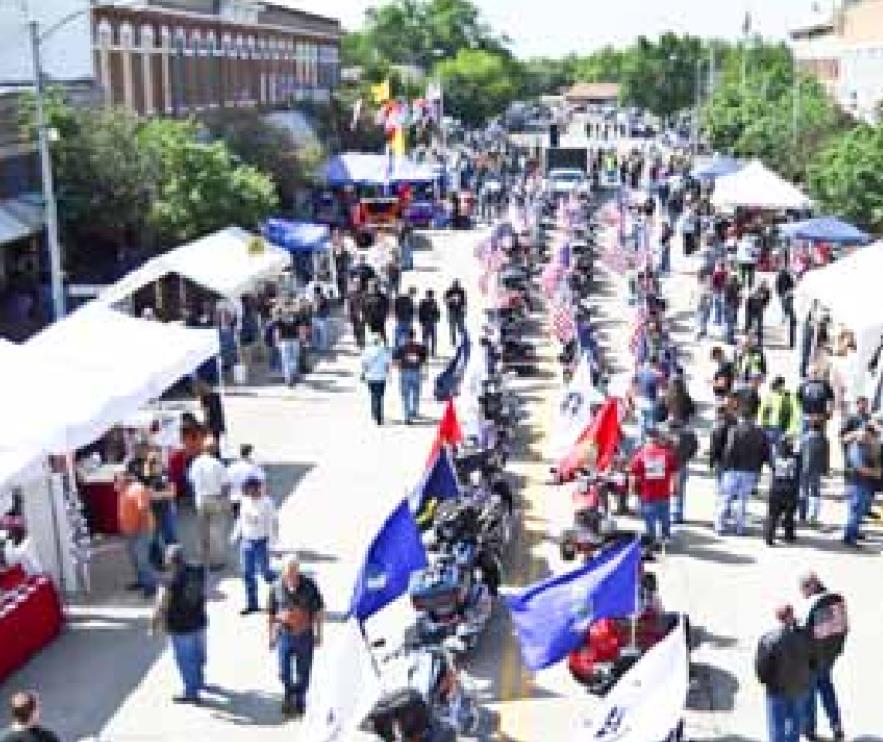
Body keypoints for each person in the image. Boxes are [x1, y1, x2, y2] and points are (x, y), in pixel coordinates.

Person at [149, 545, 208, 705]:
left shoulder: (167, 580)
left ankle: (191, 692)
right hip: (199, 621)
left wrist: (153, 626)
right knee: (198, 655)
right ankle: (200, 681)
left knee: (185, 660)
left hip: (180, 627)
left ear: (169, 561)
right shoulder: (198, 570)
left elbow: (160, 605)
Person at [268, 556, 325, 718]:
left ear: (298, 571)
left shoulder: (309, 586)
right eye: (288, 573)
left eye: (294, 572)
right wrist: (271, 636)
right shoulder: (276, 587)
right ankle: (288, 694)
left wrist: (319, 634)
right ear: (283, 573)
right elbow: (271, 613)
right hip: (284, 635)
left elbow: (319, 611)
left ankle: (300, 698)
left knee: (303, 671)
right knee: (284, 671)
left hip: (304, 635)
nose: (291, 577)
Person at [799, 572, 847, 742]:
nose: (802, 593)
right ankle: (837, 726)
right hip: (829, 657)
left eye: (803, 588)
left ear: (811, 586)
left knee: (809, 694)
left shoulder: (814, 604)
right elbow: (844, 629)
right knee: (827, 690)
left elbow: (804, 633)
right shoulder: (837, 599)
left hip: (812, 660)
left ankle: (809, 730)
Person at [755, 604, 811, 742]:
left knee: (777, 726)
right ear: (792, 616)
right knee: (795, 724)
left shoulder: (769, 639)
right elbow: (814, 659)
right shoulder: (805, 636)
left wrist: (766, 682)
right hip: (799, 688)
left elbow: (761, 666)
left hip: (777, 690)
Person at [717, 409, 770, 535]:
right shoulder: (760, 433)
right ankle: (739, 528)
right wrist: (760, 467)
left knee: (726, 497)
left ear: (742, 417)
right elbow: (765, 452)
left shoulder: (734, 430)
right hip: (750, 470)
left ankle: (720, 525)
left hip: (733, 468)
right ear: (753, 418)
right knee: (743, 500)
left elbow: (729, 449)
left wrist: (725, 465)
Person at [628, 425, 679, 552]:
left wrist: (632, 490)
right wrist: (676, 488)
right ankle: (666, 537)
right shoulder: (667, 454)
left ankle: (652, 539)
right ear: (658, 439)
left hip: (647, 494)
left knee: (649, 519)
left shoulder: (640, 456)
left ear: (647, 440)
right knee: (665, 516)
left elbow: (633, 475)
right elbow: (675, 473)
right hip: (664, 493)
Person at [188, 436, 231, 570]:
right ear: (214, 449)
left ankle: (202, 558)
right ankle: (216, 561)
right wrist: (224, 500)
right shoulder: (217, 464)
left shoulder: (196, 462)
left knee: (202, 530)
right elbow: (225, 484)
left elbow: (191, 480)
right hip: (215, 498)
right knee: (216, 531)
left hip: (200, 499)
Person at [237, 476, 278, 615]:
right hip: (247, 541)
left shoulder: (267, 503)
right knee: (247, 573)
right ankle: (252, 603)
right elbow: (241, 518)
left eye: (252, 490)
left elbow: (273, 523)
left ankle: (280, 596)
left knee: (265, 573)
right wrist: (236, 534)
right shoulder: (245, 501)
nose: (250, 493)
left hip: (262, 541)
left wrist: (272, 544)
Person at [117, 463, 157, 597]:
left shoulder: (137, 489)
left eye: (118, 478)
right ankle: (142, 580)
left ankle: (150, 585)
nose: (115, 481)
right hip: (131, 531)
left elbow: (143, 510)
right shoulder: (123, 489)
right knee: (134, 558)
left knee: (142, 559)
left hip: (141, 531)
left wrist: (141, 528)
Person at [842, 421, 881, 547]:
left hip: (864, 483)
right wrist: (875, 473)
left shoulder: (866, 446)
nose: (871, 438)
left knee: (860, 511)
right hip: (857, 483)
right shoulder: (856, 447)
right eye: (870, 435)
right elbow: (859, 467)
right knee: (856, 511)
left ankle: (852, 533)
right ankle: (850, 538)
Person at [764, 436, 801, 546]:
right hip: (790, 488)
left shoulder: (775, 458)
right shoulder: (796, 458)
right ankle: (788, 534)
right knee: (789, 513)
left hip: (776, 487)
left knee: (773, 514)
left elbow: (771, 464)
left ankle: (769, 536)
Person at [143, 451, 178, 568]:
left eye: (157, 460)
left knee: (170, 536)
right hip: (152, 511)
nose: (156, 463)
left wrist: (159, 494)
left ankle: (171, 562)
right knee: (154, 539)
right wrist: (164, 493)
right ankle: (157, 564)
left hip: (167, 509)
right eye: (153, 462)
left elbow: (173, 493)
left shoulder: (167, 474)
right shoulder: (147, 478)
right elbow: (150, 495)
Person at [393, 328, 428, 424]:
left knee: (405, 395)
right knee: (416, 393)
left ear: (406, 337)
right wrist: (425, 372)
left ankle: (407, 416)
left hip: (405, 372)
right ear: (414, 336)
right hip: (416, 371)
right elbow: (424, 361)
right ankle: (415, 410)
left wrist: (399, 367)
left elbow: (395, 361)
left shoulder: (401, 348)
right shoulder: (420, 347)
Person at [799, 420, 830, 524]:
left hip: (804, 468)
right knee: (815, 492)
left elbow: (799, 453)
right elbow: (826, 456)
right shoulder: (824, 440)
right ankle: (813, 517)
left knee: (803, 491)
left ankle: (802, 515)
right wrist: (825, 470)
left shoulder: (804, 438)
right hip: (817, 469)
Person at [226, 443, 265, 521]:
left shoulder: (232, 467)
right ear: (250, 453)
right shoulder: (254, 467)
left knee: (238, 522)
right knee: (249, 523)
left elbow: (227, 482)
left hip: (235, 498)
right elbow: (261, 481)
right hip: (249, 498)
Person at [669, 420, 698, 525]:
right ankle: (678, 515)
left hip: (671, 466)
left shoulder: (667, 435)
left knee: (671, 491)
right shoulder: (689, 434)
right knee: (680, 492)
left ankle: (671, 514)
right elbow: (695, 447)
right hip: (681, 465)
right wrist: (687, 457)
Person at [759, 376, 800, 449]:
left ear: (782, 385)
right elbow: (762, 413)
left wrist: (792, 431)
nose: (777, 388)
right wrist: (762, 428)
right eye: (775, 386)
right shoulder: (768, 396)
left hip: (784, 429)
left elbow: (796, 414)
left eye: (778, 385)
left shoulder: (789, 396)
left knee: (783, 454)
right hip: (769, 429)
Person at [361, 333, 392, 425]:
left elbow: (364, 364)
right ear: (379, 341)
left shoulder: (367, 351)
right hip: (381, 377)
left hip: (371, 377)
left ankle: (374, 413)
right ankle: (379, 416)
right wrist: (388, 375)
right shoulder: (384, 350)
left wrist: (363, 373)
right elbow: (387, 364)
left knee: (373, 395)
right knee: (380, 396)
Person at [798, 366, 835, 431]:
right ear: (808, 373)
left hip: (821, 417)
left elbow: (831, 399)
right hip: (807, 417)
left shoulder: (825, 385)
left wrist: (830, 412)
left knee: (819, 436)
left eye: (815, 372)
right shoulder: (803, 386)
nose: (814, 374)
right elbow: (798, 400)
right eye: (812, 372)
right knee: (806, 436)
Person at [275, 303, 301, 387]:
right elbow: (300, 329)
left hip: (285, 341)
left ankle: (288, 378)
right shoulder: (296, 317)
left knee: (286, 360)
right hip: (294, 340)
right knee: (294, 359)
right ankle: (292, 375)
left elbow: (277, 331)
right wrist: (302, 338)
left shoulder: (280, 319)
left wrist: (277, 341)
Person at [363, 281, 390, 347]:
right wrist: (365, 317)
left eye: (374, 287)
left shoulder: (382, 296)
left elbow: (386, 306)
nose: (372, 288)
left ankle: (385, 344)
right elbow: (364, 307)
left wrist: (384, 315)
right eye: (371, 287)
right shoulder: (366, 296)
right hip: (370, 319)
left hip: (380, 319)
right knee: (373, 334)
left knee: (381, 332)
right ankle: (376, 345)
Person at [443, 279, 467, 348]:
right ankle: (453, 341)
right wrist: (450, 300)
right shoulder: (449, 291)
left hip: (459, 310)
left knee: (460, 327)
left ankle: (461, 340)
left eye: (457, 285)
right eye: (455, 285)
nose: (456, 286)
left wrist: (464, 309)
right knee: (452, 327)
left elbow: (464, 301)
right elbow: (445, 300)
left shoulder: (462, 291)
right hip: (452, 310)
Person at [417, 289, 441, 357]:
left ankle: (433, 352)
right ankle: (425, 352)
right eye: (429, 295)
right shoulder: (423, 302)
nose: (430, 297)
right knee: (425, 338)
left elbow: (437, 312)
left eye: (431, 295)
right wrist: (421, 322)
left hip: (432, 323)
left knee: (433, 338)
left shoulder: (434, 302)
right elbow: (420, 312)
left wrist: (436, 319)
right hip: (425, 322)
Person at [347, 279, 367, 350]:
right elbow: (349, 305)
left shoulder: (364, 293)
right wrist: (349, 314)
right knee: (355, 329)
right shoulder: (351, 294)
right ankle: (358, 342)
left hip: (362, 314)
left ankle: (362, 343)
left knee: (362, 329)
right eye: (355, 283)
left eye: (358, 283)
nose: (357, 285)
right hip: (353, 314)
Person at [311, 286, 331, 353]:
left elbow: (316, 307)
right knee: (315, 333)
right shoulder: (316, 298)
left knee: (323, 334)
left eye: (315, 292)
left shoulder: (322, 298)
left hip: (322, 318)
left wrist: (315, 302)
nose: (315, 293)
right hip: (316, 317)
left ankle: (323, 348)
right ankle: (316, 346)